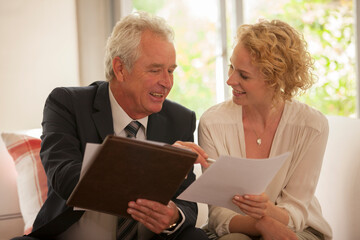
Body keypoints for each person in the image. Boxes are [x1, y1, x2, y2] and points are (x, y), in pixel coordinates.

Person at [12, 12, 210, 240]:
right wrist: (157, 164)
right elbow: (64, 176)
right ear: (120, 68)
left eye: (171, 71)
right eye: (155, 70)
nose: (167, 82)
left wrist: (174, 215)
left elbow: (186, 202)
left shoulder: (180, 118)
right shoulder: (67, 104)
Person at [198, 19, 332, 240]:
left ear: (275, 79)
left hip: (297, 229)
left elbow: (296, 211)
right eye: (232, 66)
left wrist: (268, 213)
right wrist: (261, 224)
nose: (230, 80)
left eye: (244, 75)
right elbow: (219, 214)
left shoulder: (312, 126)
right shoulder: (212, 122)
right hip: (234, 228)